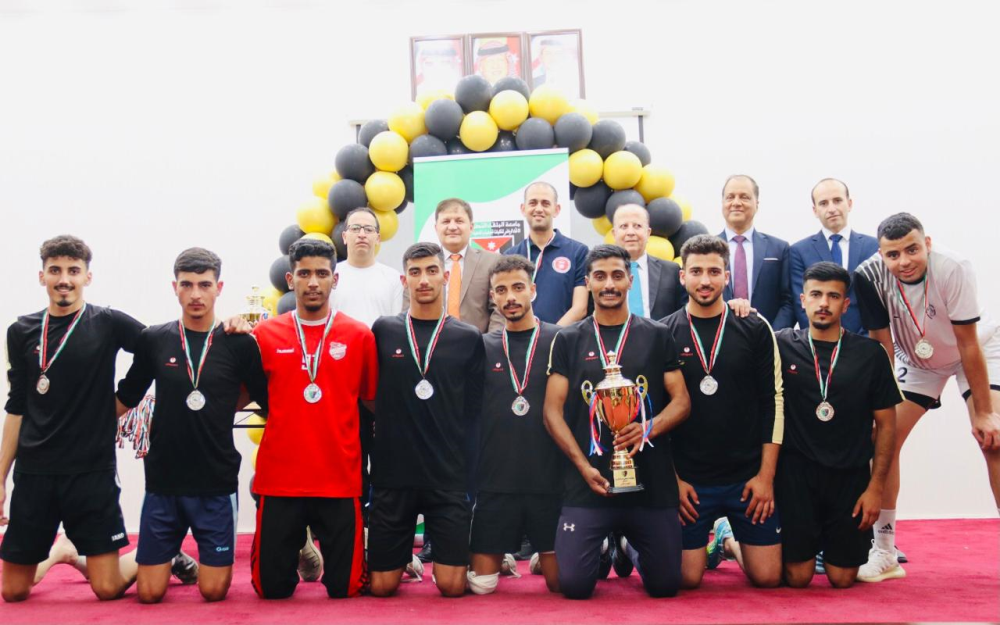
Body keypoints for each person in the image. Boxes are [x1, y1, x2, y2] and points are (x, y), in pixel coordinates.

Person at [114, 248, 269, 602]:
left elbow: (268, 401)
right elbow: (127, 395)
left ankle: (172, 557)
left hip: (215, 483)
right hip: (164, 481)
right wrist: (80, 430)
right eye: (187, 284)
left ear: (219, 288)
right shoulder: (155, 339)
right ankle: (167, 558)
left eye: (205, 284)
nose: (196, 294)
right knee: (149, 594)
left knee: (213, 591)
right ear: (175, 288)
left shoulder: (240, 344)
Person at [852, 213, 1000, 582]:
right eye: (893, 254)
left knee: (993, 439)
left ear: (927, 244)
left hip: (976, 351)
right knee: (882, 440)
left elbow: (967, 343)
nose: (904, 261)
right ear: (881, 254)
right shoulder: (867, 275)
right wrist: (880, 409)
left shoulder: (953, 267)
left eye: (912, 250)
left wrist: (984, 413)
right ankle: (885, 551)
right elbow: (882, 346)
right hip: (916, 361)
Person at [1, 236, 145, 602]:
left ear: (87, 277)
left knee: (107, 587)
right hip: (35, 472)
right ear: (42, 276)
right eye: (55, 270)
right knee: (13, 590)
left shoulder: (107, 322)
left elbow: (157, 347)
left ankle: (160, 555)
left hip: (90, 471)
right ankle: (61, 552)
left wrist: (122, 401)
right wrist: (0, 479)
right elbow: (16, 407)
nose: (64, 279)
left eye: (73, 271)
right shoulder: (21, 331)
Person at [543, 244, 691, 599]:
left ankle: (627, 547)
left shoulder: (657, 334)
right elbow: (551, 411)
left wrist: (649, 427)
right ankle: (603, 547)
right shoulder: (568, 338)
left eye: (617, 275)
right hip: (589, 484)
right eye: (600, 276)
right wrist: (582, 466)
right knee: (574, 587)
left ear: (630, 281)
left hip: (650, 483)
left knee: (665, 586)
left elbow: (682, 401)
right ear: (588, 282)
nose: (609, 284)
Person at [250, 238, 377, 599]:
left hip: (339, 478)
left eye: (322, 274)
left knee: (346, 588)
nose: (313, 283)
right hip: (281, 480)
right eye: (304, 274)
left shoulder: (359, 336)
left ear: (335, 279)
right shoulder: (264, 335)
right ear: (290, 279)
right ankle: (304, 550)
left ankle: (317, 552)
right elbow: (240, 396)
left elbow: (374, 403)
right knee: (270, 590)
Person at [659, 234, 784, 589]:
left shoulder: (755, 327)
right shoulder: (663, 333)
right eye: (696, 271)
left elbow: (773, 402)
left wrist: (765, 478)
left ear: (727, 277)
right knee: (687, 578)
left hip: (747, 478)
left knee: (768, 577)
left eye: (714, 272)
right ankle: (631, 543)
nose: (705, 280)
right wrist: (673, 482)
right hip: (691, 482)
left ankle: (726, 541)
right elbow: (657, 414)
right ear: (682, 276)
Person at [368, 242, 485, 598]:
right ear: (404, 280)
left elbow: (473, 409)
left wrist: (467, 472)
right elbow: (369, 395)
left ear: (445, 276)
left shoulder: (467, 337)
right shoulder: (383, 330)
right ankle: (403, 561)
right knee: (382, 587)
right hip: (393, 477)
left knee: (451, 587)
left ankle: (438, 561)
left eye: (432, 271)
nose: (424, 280)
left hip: (446, 477)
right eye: (415, 272)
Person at [775, 261, 902, 588]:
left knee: (842, 579)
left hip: (850, 477)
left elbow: (887, 426)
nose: (823, 303)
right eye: (816, 294)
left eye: (833, 296)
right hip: (795, 476)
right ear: (802, 300)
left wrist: (875, 489)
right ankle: (731, 540)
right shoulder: (780, 345)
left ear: (846, 305)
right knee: (798, 578)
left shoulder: (871, 354)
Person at [468, 255, 562, 595]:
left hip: (549, 481)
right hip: (497, 481)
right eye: (501, 290)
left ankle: (540, 557)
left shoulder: (560, 340)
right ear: (492, 296)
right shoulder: (482, 345)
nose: (510, 297)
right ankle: (504, 557)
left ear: (533, 290)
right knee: (481, 586)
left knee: (560, 584)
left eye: (518, 288)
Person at [789, 178, 879, 334]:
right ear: (815, 210)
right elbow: (801, 304)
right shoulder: (799, 251)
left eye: (837, 201)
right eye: (823, 203)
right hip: (819, 340)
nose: (831, 209)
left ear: (849, 204)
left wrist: (863, 339)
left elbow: (878, 300)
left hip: (866, 339)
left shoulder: (873, 247)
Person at [404, 198, 503, 334]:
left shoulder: (492, 262)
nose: (452, 227)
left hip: (478, 343)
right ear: (436, 228)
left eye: (459, 221)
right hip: (430, 343)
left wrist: (489, 341)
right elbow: (408, 307)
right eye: (446, 221)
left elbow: (499, 308)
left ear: (471, 227)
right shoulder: (420, 264)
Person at [505, 182, 590, 326]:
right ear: (523, 209)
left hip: (563, 337)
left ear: (556, 210)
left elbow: (580, 308)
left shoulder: (578, 252)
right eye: (533, 203)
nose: (539, 209)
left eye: (545, 203)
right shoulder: (510, 256)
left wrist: (552, 335)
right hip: (523, 338)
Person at [718, 175, 796, 329]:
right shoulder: (706, 250)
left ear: (757, 204)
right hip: (718, 336)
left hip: (767, 336)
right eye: (730, 197)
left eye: (744, 197)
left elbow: (789, 301)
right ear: (722, 203)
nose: (736, 203)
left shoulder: (779, 249)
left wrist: (772, 335)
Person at [611, 204, 685, 319]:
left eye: (637, 226)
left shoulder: (671, 271)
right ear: (614, 233)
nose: (630, 232)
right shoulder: (601, 274)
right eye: (624, 226)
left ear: (648, 232)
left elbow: (683, 315)